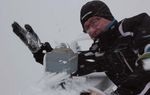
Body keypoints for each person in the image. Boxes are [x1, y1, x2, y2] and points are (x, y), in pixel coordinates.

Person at [12, 0, 150, 95]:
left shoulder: (135, 25)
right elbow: (71, 63)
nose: (91, 30)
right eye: (87, 28)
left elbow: (148, 63)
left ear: (107, 16)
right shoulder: (100, 53)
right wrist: (40, 52)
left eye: (94, 21)